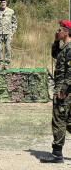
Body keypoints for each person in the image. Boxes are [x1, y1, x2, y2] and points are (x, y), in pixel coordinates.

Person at [40, 20, 71, 164]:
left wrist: (63, 90)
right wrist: (55, 40)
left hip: (64, 89)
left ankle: (57, 154)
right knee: (68, 121)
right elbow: (55, 54)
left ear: (66, 32)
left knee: (58, 120)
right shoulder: (65, 47)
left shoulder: (70, 48)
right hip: (64, 87)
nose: (57, 32)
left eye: (59, 30)